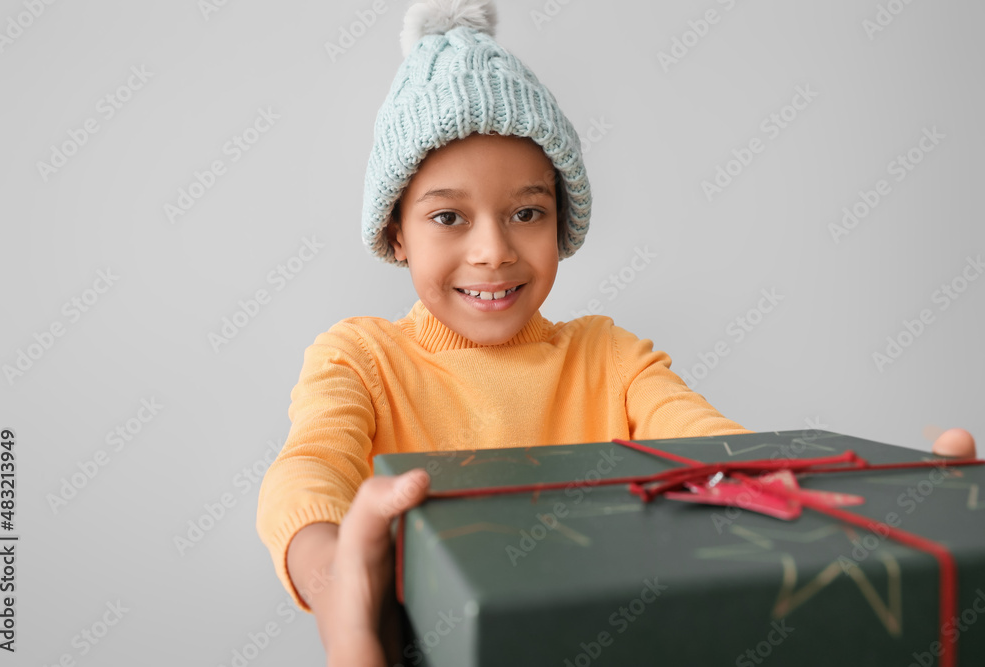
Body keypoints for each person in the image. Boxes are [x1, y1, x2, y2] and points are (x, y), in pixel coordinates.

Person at [255, 2, 978, 665]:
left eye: (527, 212)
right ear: (396, 232)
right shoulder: (361, 357)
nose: (492, 250)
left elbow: (717, 450)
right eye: (449, 217)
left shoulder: (610, 356)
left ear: (561, 223)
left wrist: (889, 499)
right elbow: (305, 475)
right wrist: (342, 577)